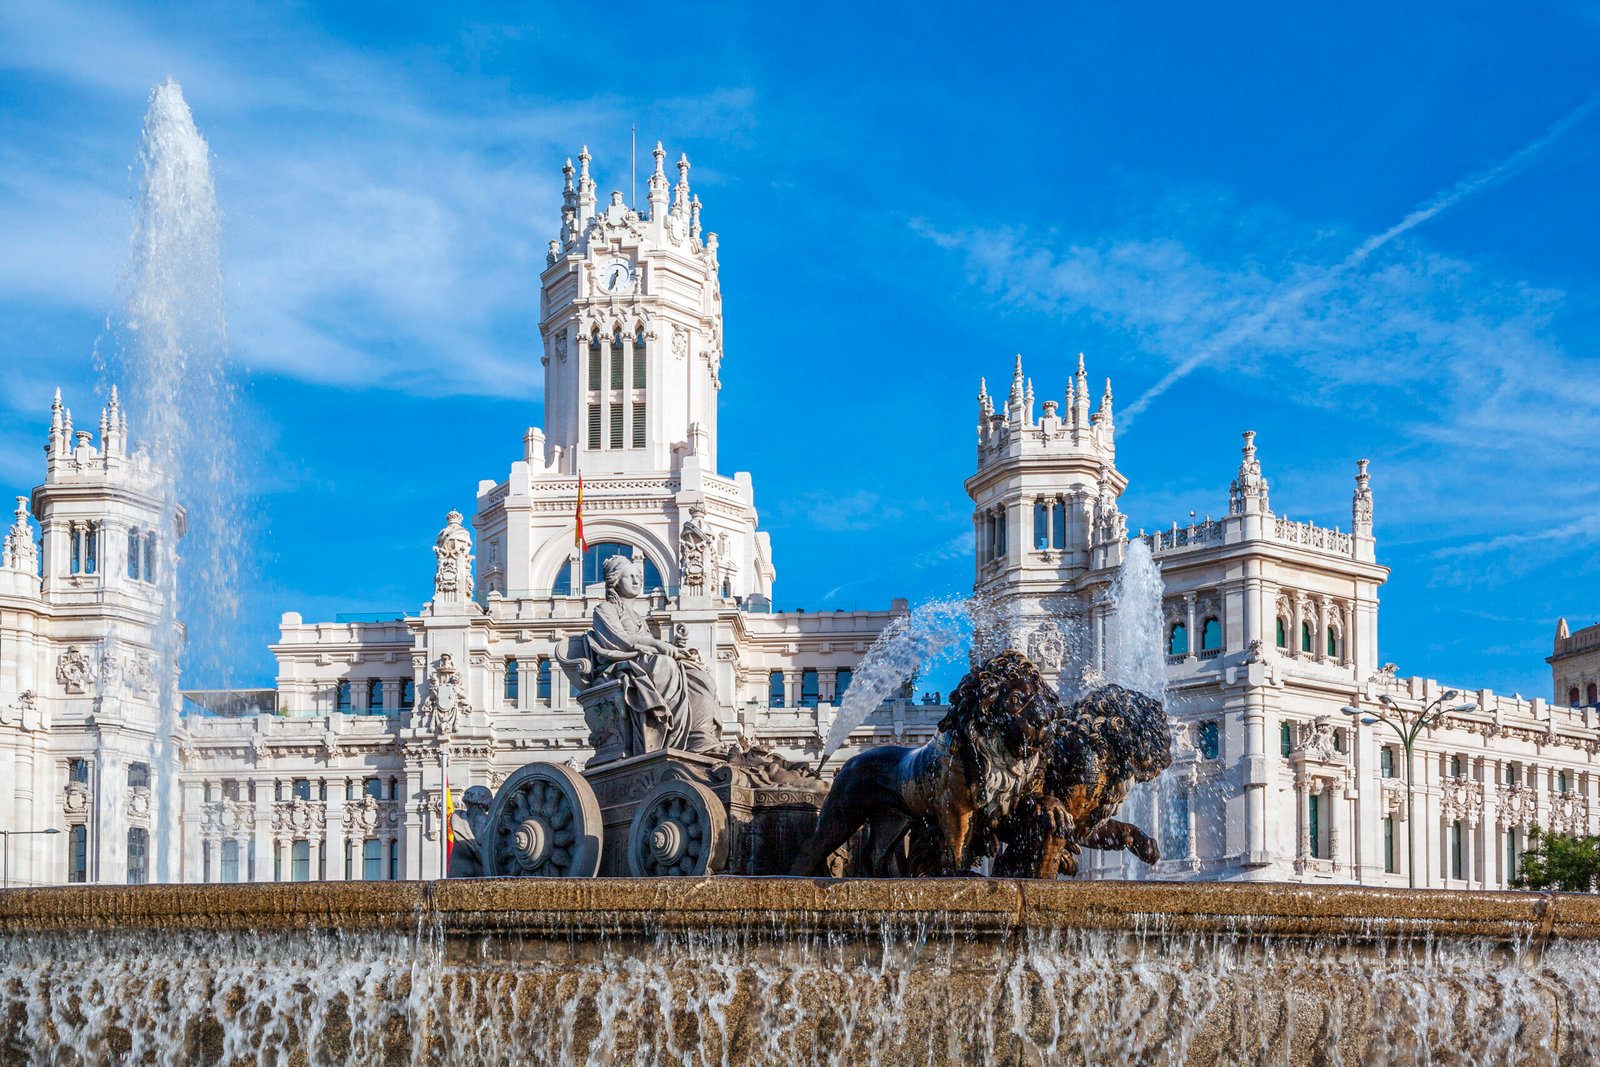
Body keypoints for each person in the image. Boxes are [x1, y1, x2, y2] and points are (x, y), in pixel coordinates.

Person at [585, 554, 722, 754]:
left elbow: (647, 646)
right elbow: (621, 641)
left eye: (638, 576)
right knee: (664, 665)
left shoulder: (637, 617)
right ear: (614, 581)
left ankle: (698, 737)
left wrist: (673, 646)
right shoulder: (605, 610)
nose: (636, 580)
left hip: (644, 662)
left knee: (699, 676)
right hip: (622, 664)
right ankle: (671, 736)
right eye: (629, 576)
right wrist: (660, 646)